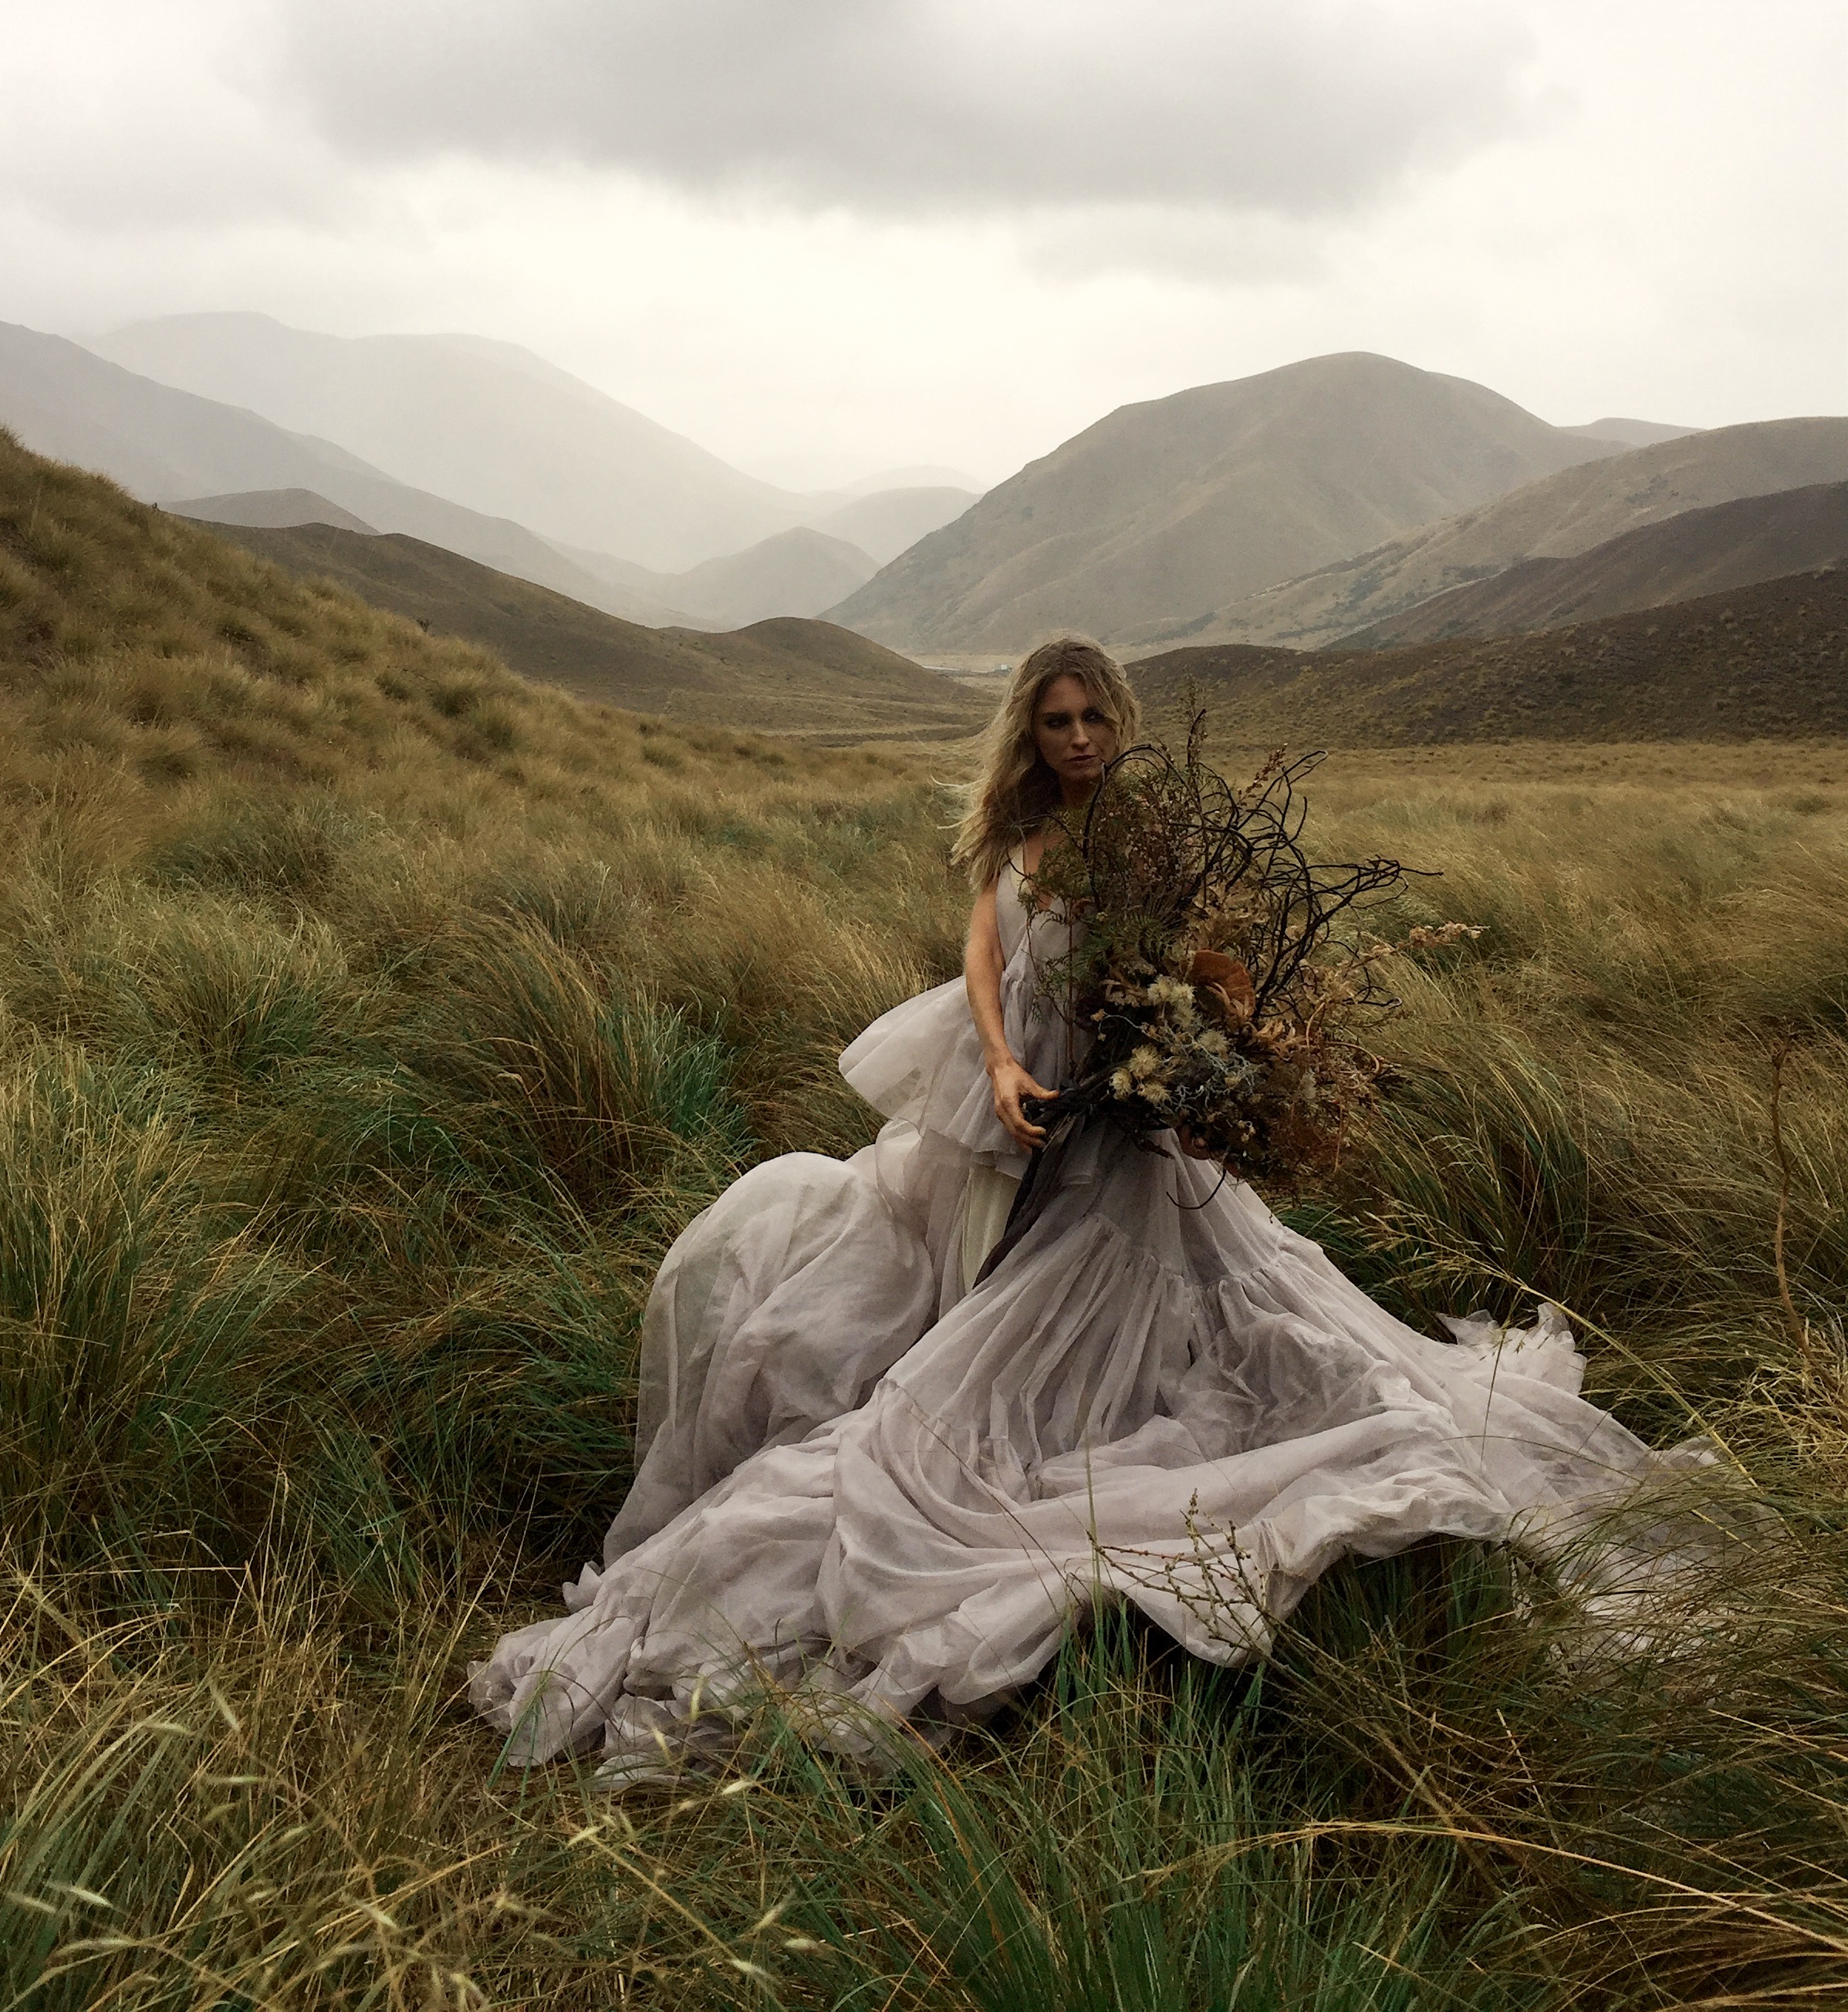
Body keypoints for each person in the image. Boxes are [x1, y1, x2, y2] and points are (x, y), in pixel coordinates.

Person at [471, 636, 1699, 1777]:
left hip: (1114, 1115)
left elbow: (1189, 972)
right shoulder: (1018, 829)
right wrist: (1001, 1060)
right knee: (944, 1277)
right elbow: (980, 946)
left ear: (1120, 720)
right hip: (1004, 1095)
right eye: (1054, 719)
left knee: (1131, 1314)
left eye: (1093, 715)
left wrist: (1177, 1055)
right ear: (1030, 729)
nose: (1076, 737)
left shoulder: (1147, 838)